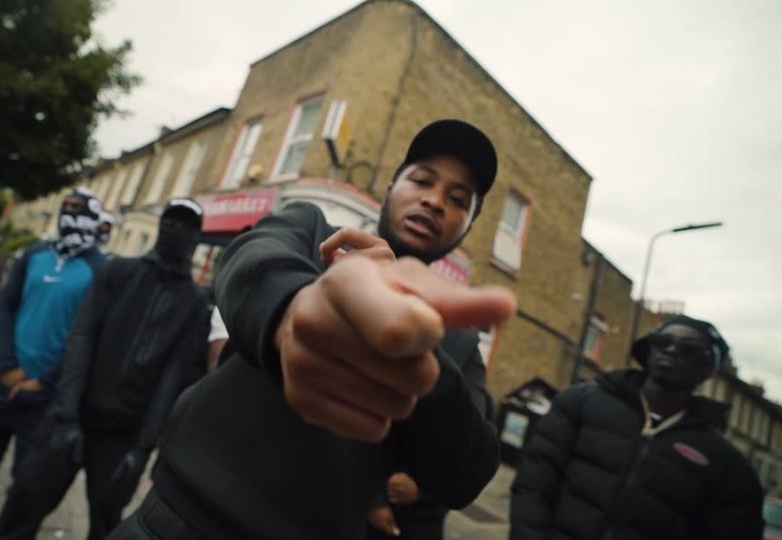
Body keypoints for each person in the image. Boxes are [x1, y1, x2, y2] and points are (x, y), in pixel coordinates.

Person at [111, 119, 517, 539]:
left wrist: (417, 343)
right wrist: (290, 313)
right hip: (172, 521)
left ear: (466, 226)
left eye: (457, 199)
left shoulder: (458, 344)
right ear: (392, 186)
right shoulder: (310, 233)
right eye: (422, 180)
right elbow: (249, 258)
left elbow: (468, 472)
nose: (434, 201)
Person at [0, 198, 211, 540]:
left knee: (107, 525)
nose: (175, 233)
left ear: (196, 236)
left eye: (185, 228)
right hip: (73, 415)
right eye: (170, 223)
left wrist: (143, 447)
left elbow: (174, 375)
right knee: (23, 505)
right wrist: (66, 413)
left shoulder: (195, 302)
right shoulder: (119, 271)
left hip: (122, 435)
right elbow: (83, 337)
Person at [510, 314, 765, 539]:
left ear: (708, 367)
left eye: (689, 349)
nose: (672, 350)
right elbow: (535, 481)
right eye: (663, 342)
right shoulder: (580, 402)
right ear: (650, 350)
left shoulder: (727, 464)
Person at [0, 189, 106, 539]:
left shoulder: (99, 269)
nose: (70, 214)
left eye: (79, 209)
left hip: (45, 399)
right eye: (66, 207)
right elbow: (5, 307)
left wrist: (45, 380)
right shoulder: (34, 254)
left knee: (27, 490)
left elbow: (88, 335)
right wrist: (7, 365)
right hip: (1, 383)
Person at [367, 327, 494, 539]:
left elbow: (471, 463)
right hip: (351, 511)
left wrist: (421, 492)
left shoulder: (463, 347)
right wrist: (374, 501)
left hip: (421, 522)